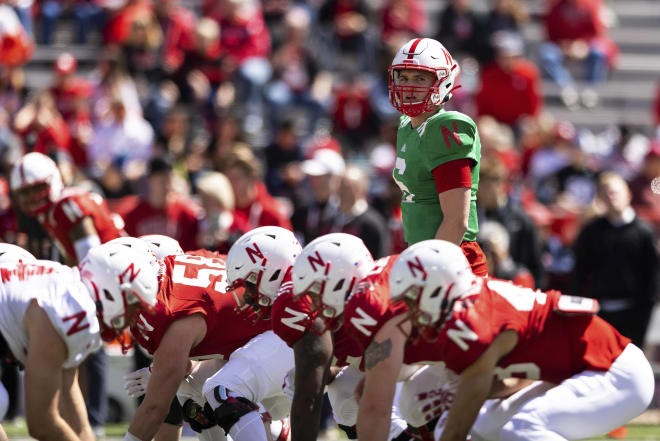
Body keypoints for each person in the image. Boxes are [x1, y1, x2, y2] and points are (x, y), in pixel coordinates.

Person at [388, 239, 654, 441]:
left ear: (438, 288)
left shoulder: (472, 321)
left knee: (525, 427)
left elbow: (460, 424)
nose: (411, 310)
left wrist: (458, 394)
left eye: (412, 299)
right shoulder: (473, 305)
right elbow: (517, 378)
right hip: (575, 370)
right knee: (479, 427)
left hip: (615, 371)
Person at [120, 240, 293, 441]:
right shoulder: (200, 261)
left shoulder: (175, 307)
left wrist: (161, 374)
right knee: (193, 387)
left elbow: (155, 409)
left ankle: (271, 430)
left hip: (287, 343)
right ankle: (275, 432)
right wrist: (162, 372)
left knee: (224, 390)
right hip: (267, 347)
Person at [10, 151, 125, 435]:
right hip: (110, 277)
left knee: (91, 349)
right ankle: (87, 419)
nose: (32, 197)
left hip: (116, 278)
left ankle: (94, 421)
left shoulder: (66, 205)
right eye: (25, 192)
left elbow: (91, 254)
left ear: (52, 181)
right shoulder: (52, 212)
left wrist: (80, 289)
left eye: (37, 187)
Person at [0, 241, 158, 441]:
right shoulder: (69, 309)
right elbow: (41, 423)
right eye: (134, 306)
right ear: (111, 292)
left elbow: (68, 392)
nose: (135, 318)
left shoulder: (67, 289)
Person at [272, 233, 417, 441]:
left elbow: (401, 349)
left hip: (451, 354)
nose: (313, 302)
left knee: (413, 399)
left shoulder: (369, 304)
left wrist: (370, 374)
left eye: (316, 290)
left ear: (340, 282)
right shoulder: (365, 292)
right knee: (348, 391)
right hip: (417, 353)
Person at [388, 37, 487, 276]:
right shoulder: (406, 125)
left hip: (451, 259)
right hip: (423, 252)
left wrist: (427, 272)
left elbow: (456, 221)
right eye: (404, 77)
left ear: (443, 82)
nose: (409, 86)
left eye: (420, 78)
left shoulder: (446, 127)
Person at [572, 172, 660, 348]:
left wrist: (646, 307)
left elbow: (652, 274)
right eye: (605, 193)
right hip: (600, 310)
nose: (611, 197)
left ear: (628, 194)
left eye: (614, 192)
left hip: (634, 311)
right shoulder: (592, 232)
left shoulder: (643, 232)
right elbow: (580, 270)